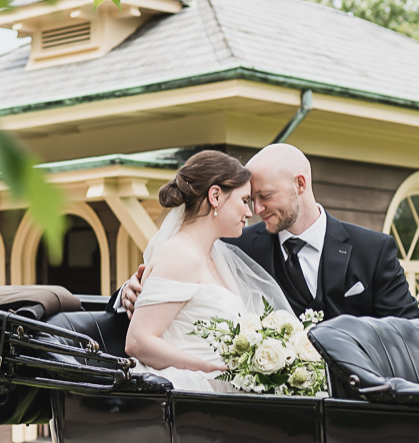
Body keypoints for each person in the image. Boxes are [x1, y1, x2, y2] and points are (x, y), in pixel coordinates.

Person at [120, 143, 419, 321]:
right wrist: (127, 293)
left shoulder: (374, 250)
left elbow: (410, 330)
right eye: (251, 200)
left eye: (266, 196)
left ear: (300, 185)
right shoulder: (237, 248)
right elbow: (170, 275)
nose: (257, 209)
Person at [125, 150, 294, 392]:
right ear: (215, 195)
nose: (250, 212)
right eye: (244, 200)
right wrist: (210, 369)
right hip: (192, 390)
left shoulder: (214, 255)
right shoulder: (180, 254)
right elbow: (138, 341)